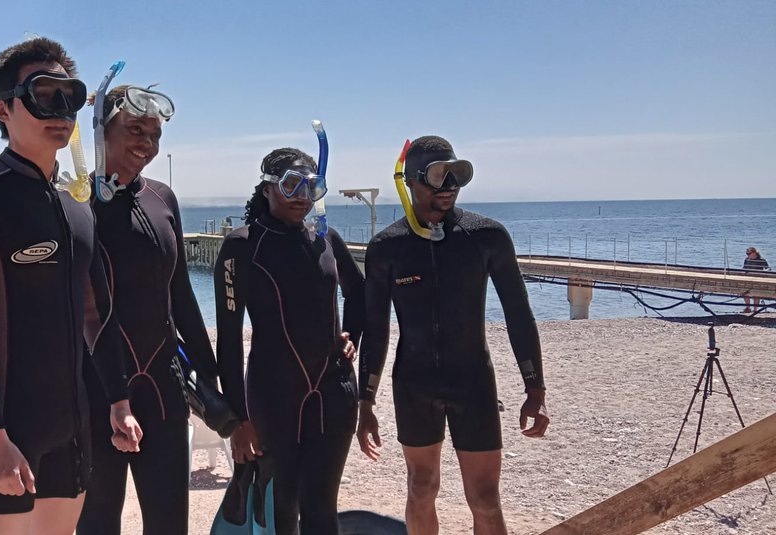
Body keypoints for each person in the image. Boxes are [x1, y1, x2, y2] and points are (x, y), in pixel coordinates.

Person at [0, 37, 142, 535]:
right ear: (3, 108)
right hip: (1, 433)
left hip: (69, 435)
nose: (60, 109)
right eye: (42, 94)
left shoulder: (75, 206)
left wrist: (117, 400)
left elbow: (98, 315)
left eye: (69, 95)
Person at [358, 135, 550, 535]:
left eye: (456, 176)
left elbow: (518, 314)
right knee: (421, 487)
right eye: (438, 176)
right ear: (410, 180)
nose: (449, 187)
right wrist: (366, 400)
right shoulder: (387, 248)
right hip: (414, 383)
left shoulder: (485, 236)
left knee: (484, 497)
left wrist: (536, 390)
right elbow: (374, 328)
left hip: (473, 381)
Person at [74, 84, 218, 535]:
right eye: (135, 129)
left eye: (155, 135)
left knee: (170, 523)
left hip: (163, 385)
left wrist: (211, 375)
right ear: (101, 130)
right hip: (94, 388)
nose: (146, 144)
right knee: (98, 523)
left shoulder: (162, 198)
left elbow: (181, 296)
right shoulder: (74, 204)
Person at [214, 147, 364, 534]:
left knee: (321, 510)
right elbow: (228, 341)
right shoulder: (242, 246)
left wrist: (354, 338)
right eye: (291, 184)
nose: (301, 195)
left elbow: (360, 293)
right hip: (272, 395)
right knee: (279, 511)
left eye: (312, 186)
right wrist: (236, 421)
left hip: (334, 391)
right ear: (267, 188)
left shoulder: (325, 239)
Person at [742, 246, 769, 313]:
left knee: (756, 294)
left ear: (754, 253)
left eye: (749, 253)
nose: (748, 255)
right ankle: (748, 308)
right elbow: (744, 269)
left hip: (758, 279)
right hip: (748, 279)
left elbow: (768, 268)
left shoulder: (761, 260)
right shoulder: (747, 260)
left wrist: (764, 273)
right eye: (747, 254)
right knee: (746, 293)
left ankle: (755, 310)